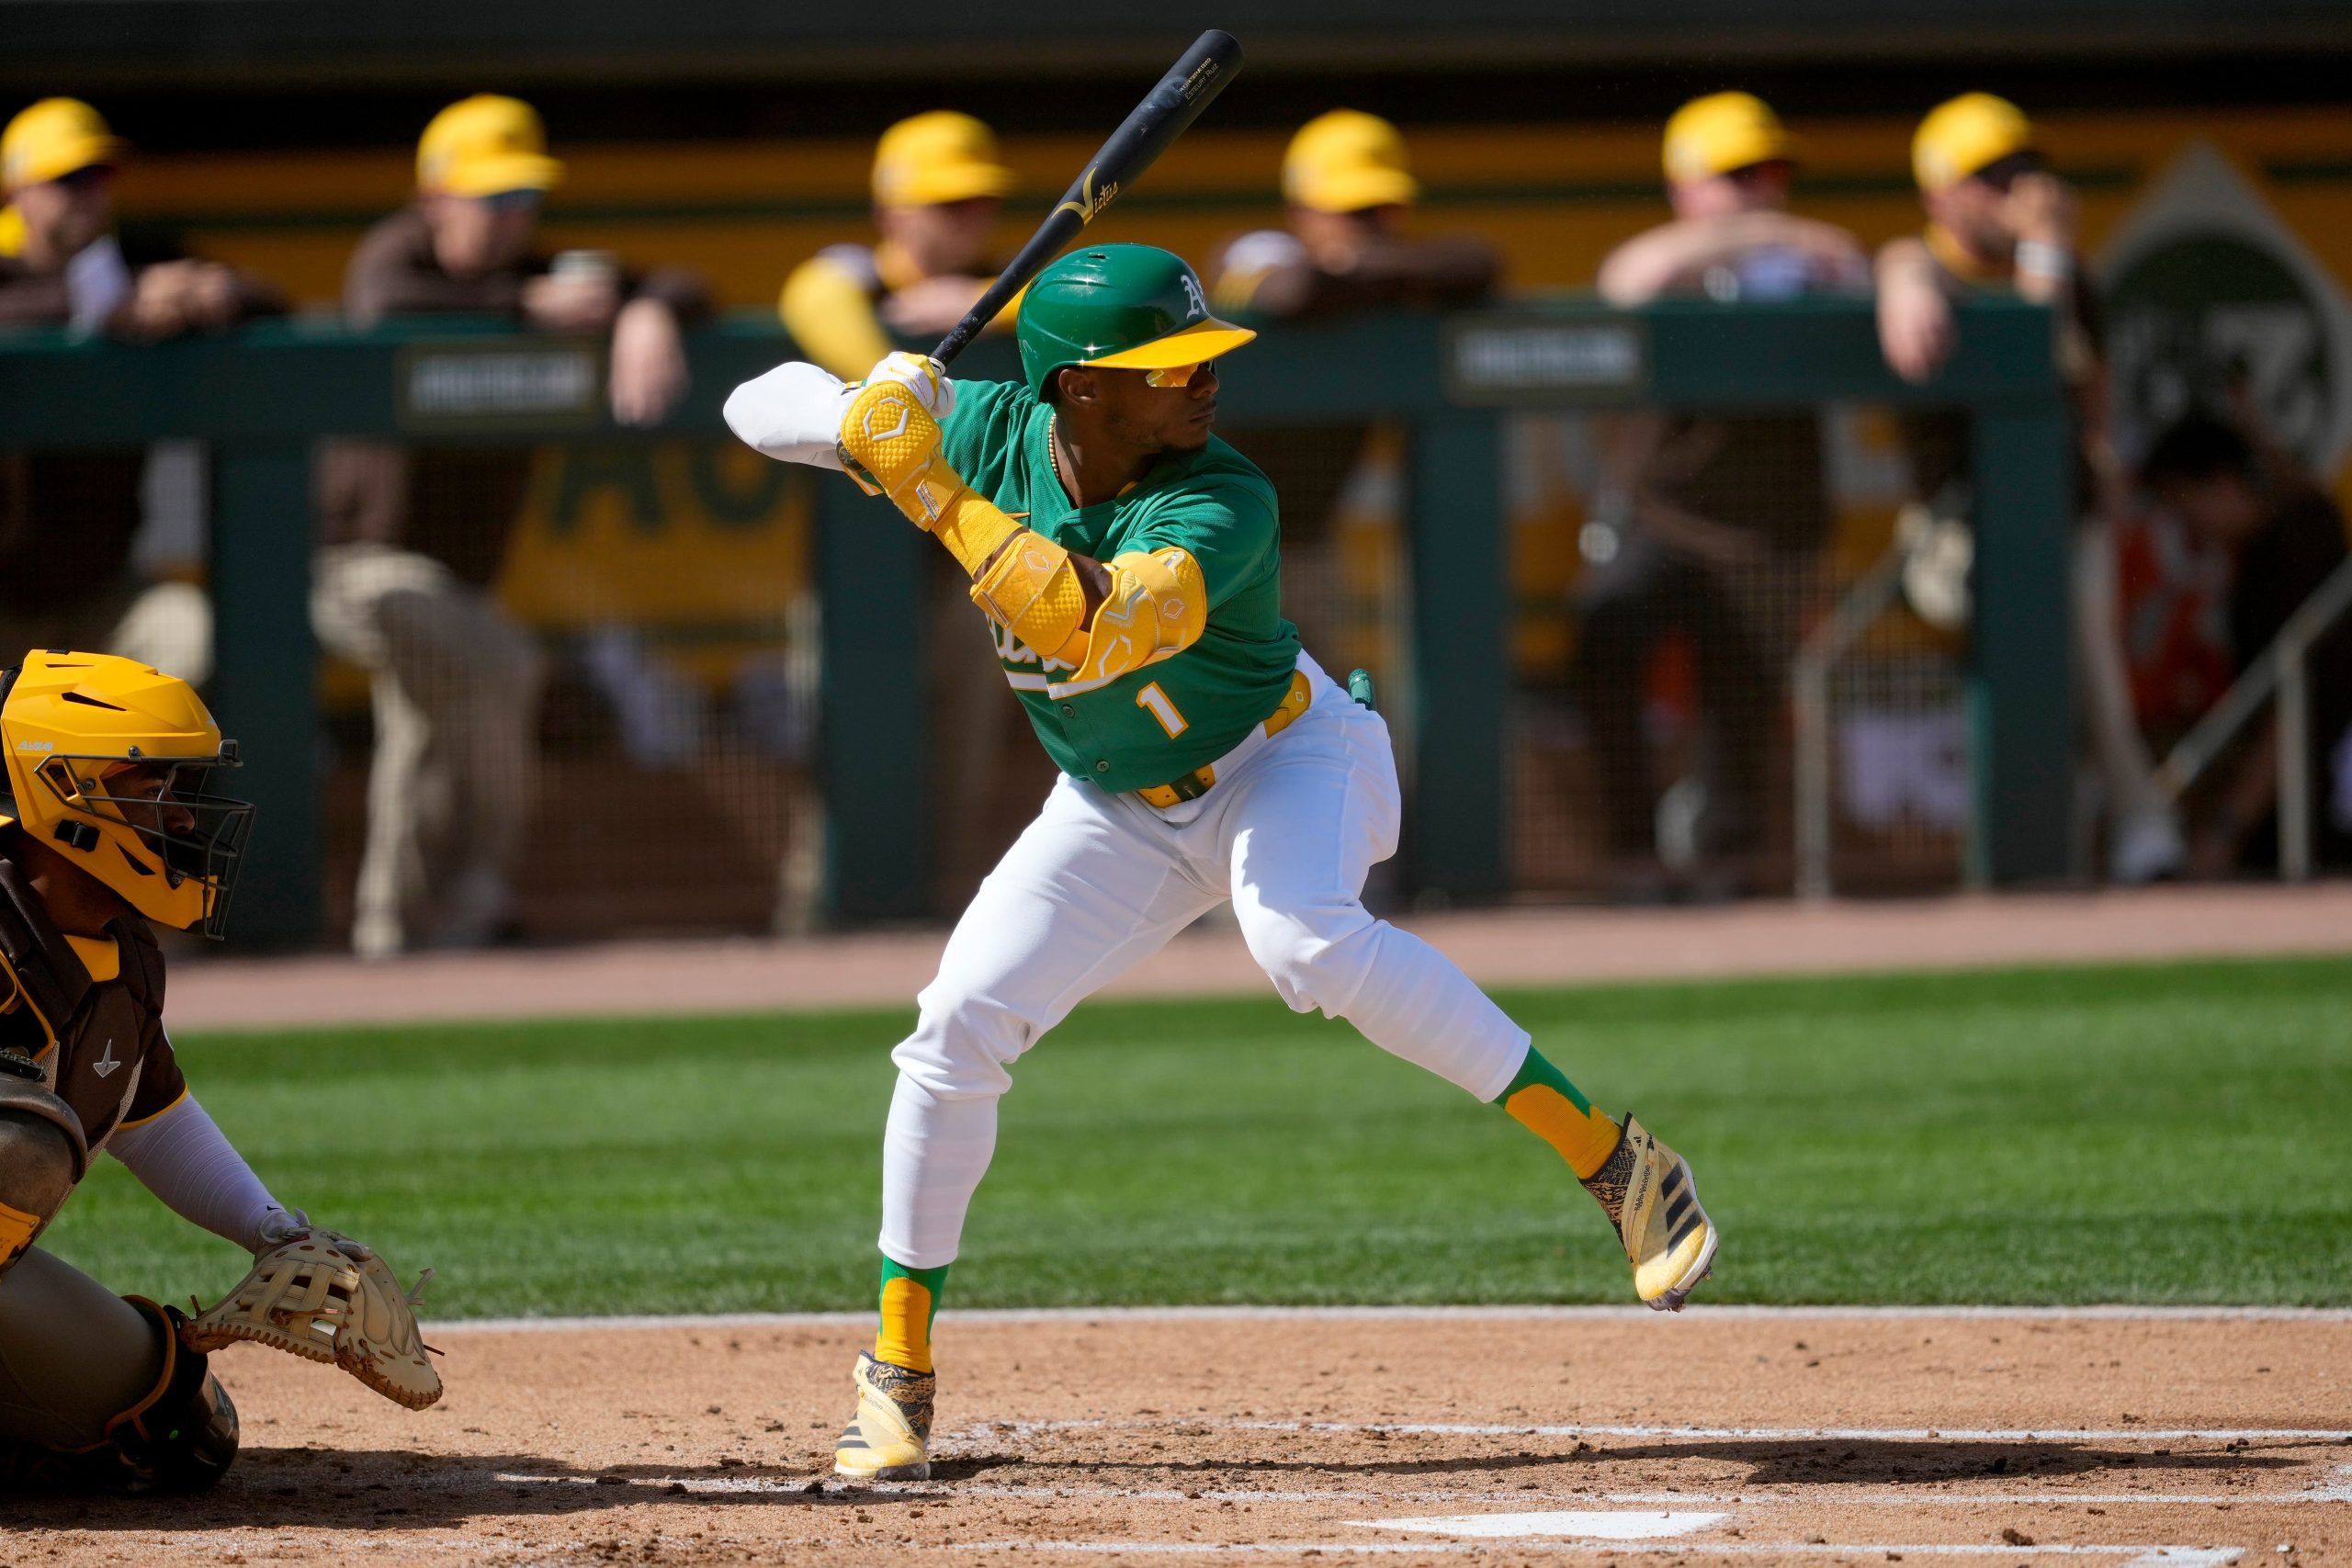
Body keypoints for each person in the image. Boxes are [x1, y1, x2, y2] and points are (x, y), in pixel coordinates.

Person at [724, 243, 1721, 1482]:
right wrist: (865, 407)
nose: (1202, 380)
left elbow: (1076, 620)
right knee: (953, 1028)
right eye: (1165, 366)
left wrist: (926, 491)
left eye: (1201, 357)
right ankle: (897, 1373)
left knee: (1300, 935)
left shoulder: (1224, 495)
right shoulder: (983, 430)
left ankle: (1618, 1160)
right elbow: (749, 403)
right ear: (1080, 387)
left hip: (1289, 758)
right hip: (1113, 802)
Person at [314, 94, 707, 959]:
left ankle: (405, 927)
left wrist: (647, 309)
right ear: (433, 198)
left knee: (440, 708)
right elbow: (389, 307)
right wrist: (524, 307)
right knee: (500, 660)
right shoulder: (399, 253)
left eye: (521, 199)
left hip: (455, 582)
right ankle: (455, 896)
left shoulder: (538, 269)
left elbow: (682, 282)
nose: (508, 218)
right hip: (354, 566)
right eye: (489, 199)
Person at [0, 650, 386, 1494]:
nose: (179, 817)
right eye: (151, 789)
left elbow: (151, 1115)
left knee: (182, 1424)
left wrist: (274, 1230)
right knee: (16, 1138)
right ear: (63, 789)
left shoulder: (119, 952)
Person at [1873, 92, 2182, 883]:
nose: (2018, 191)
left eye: (2026, 169)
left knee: (2097, 680)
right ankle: (2072, 811)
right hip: (1956, 532)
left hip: (2059, 517)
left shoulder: (2064, 271)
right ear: (1941, 190)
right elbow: (2014, 351)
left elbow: (2086, 393)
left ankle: (2130, 824)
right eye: (1992, 174)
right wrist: (1907, 276)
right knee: (2035, 646)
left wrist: (2049, 258)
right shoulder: (1923, 264)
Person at [1578, 93, 1867, 899]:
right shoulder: (1669, 255)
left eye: (1770, 172)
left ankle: (1724, 872)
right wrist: (1738, 234)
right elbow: (1626, 283)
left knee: (1741, 711)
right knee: (1603, 635)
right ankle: (1636, 851)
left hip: (1769, 526)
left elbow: (1855, 263)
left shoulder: (1805, 258)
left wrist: (1767, 235)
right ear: (1685, 184)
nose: (1759, 189)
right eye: (1736, 174)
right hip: (1662, 516)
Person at [780, 111, 1029, 908]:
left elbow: (1085, 302)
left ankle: (930, 934)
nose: (972, 221)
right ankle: (814, 934)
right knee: (841, 785)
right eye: (948, 205)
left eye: (980, 203)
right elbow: (811, 294)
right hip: (852, 581)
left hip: (968, 569)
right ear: (894, 212)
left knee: (957, 779)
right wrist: (896, 401)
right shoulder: (855, 275)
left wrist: (984, 303)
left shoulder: (1007, 285)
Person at [0, 97, 283, 684]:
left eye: (99, 175)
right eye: (66, 178)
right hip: (5, 601)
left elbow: (272, 300)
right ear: (15, 191)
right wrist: (111, 305)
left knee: (190, 633)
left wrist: (209, 290)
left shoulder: (135, 260)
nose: (88, 192)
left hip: (103, 596)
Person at [1204, 111, 1501, 668]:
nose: (1370, 226)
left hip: (1309, 543)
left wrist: (1361, 266)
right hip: (1205, 539)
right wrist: (1384, 275)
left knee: (1323, 720)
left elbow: (1477, 261)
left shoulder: (1380, 275)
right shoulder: (1255, 248)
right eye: (1350, 210)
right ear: (1300, 210)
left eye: (1382, 209)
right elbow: (1293, 291)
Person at [2139, 415, 2352, 874]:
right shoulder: (2273, 544)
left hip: (2324, 807)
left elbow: (2296, 707)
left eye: (2183, 504)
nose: (2186, 527)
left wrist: (2226, 828)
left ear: (2220, 483)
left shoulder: (2297, 545)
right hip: (2294, 805)